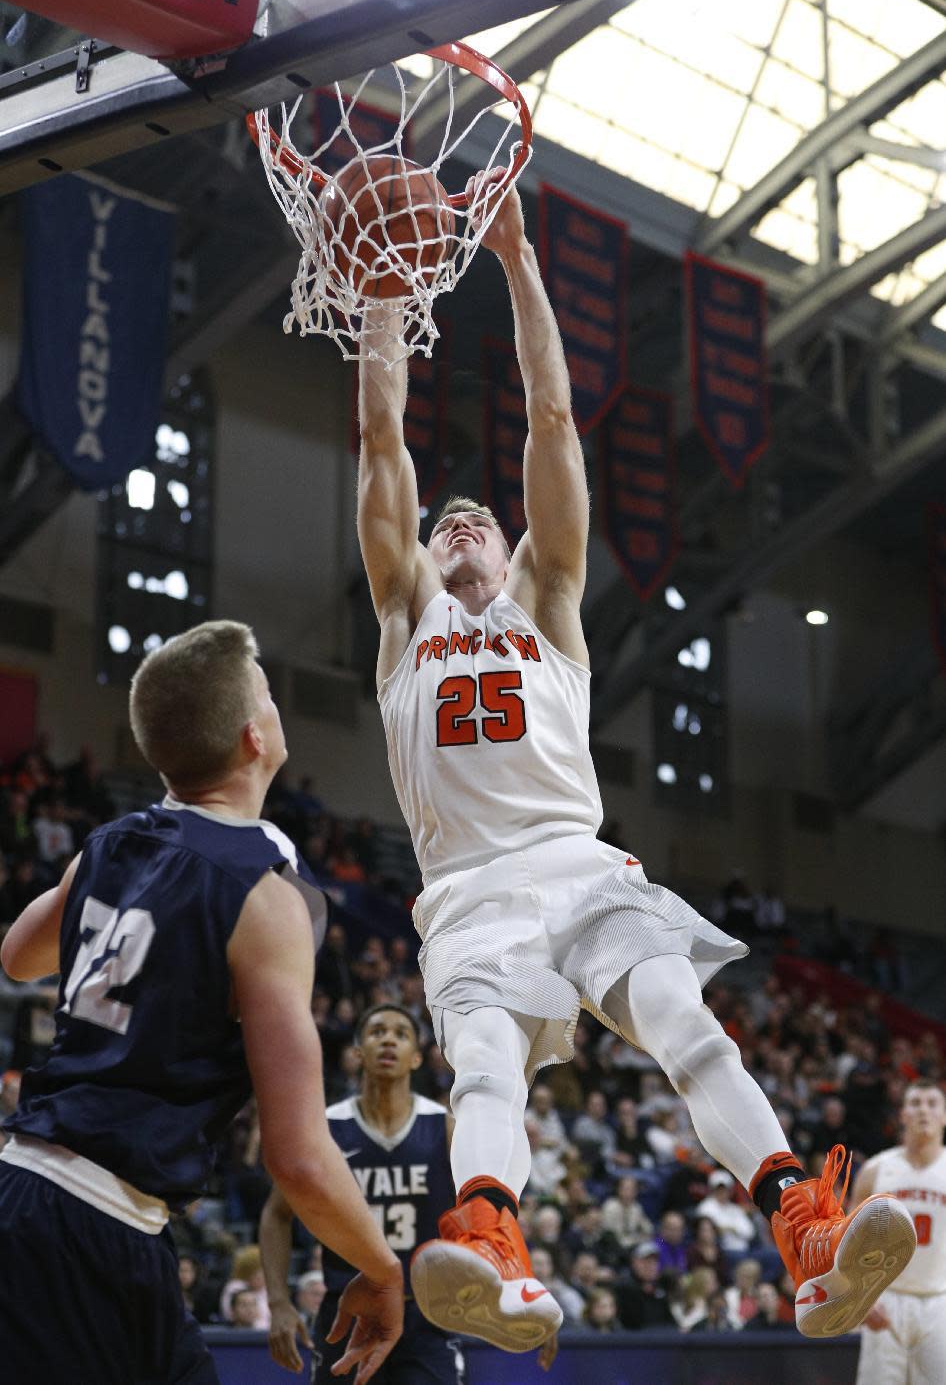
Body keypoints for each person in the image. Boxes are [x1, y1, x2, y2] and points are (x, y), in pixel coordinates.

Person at [354, 167, 915, 1354]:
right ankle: (496, 1244)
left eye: (480, 516)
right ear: (412, 556)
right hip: (467, 896)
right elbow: (380, 438)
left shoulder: (549, 606)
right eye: (439, 518)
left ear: (512, 545)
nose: (458, 518)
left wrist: (516, 258)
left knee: (686, 1020)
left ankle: (800, 1227)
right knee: (494, 1069)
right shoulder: (407, 629)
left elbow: (552, 422)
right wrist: (383, 296)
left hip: (577, 865)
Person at [0, 620, 403, 1385]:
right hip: (91, 1224)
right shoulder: (266, 895)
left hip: (48, 1195)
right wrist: (382, 1268)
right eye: (271, 694)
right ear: (255, 737)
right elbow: (296, 1154)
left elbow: (19, 954)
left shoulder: (110, 843)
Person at [260, 1003, 466, 1385]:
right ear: (357, 1053)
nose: (388, 1039)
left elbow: (484, 1213)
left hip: (426, 1315)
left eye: (401, 1034)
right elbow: (276, 1214)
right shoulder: (325, 1129)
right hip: (347, 1310)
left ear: (417, 1058)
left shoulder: (445, 1127)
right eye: (377, 1032)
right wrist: (277, 1302)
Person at [850, 1079, 946, 1385]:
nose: (924, 1111)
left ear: (944, 1115)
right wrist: (859, 1298)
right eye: (915, 1103)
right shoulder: (875, 1171)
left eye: (932, 1103)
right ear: (902, 1114)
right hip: (884, 1298)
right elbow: (848, 1241)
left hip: (940, 1300)